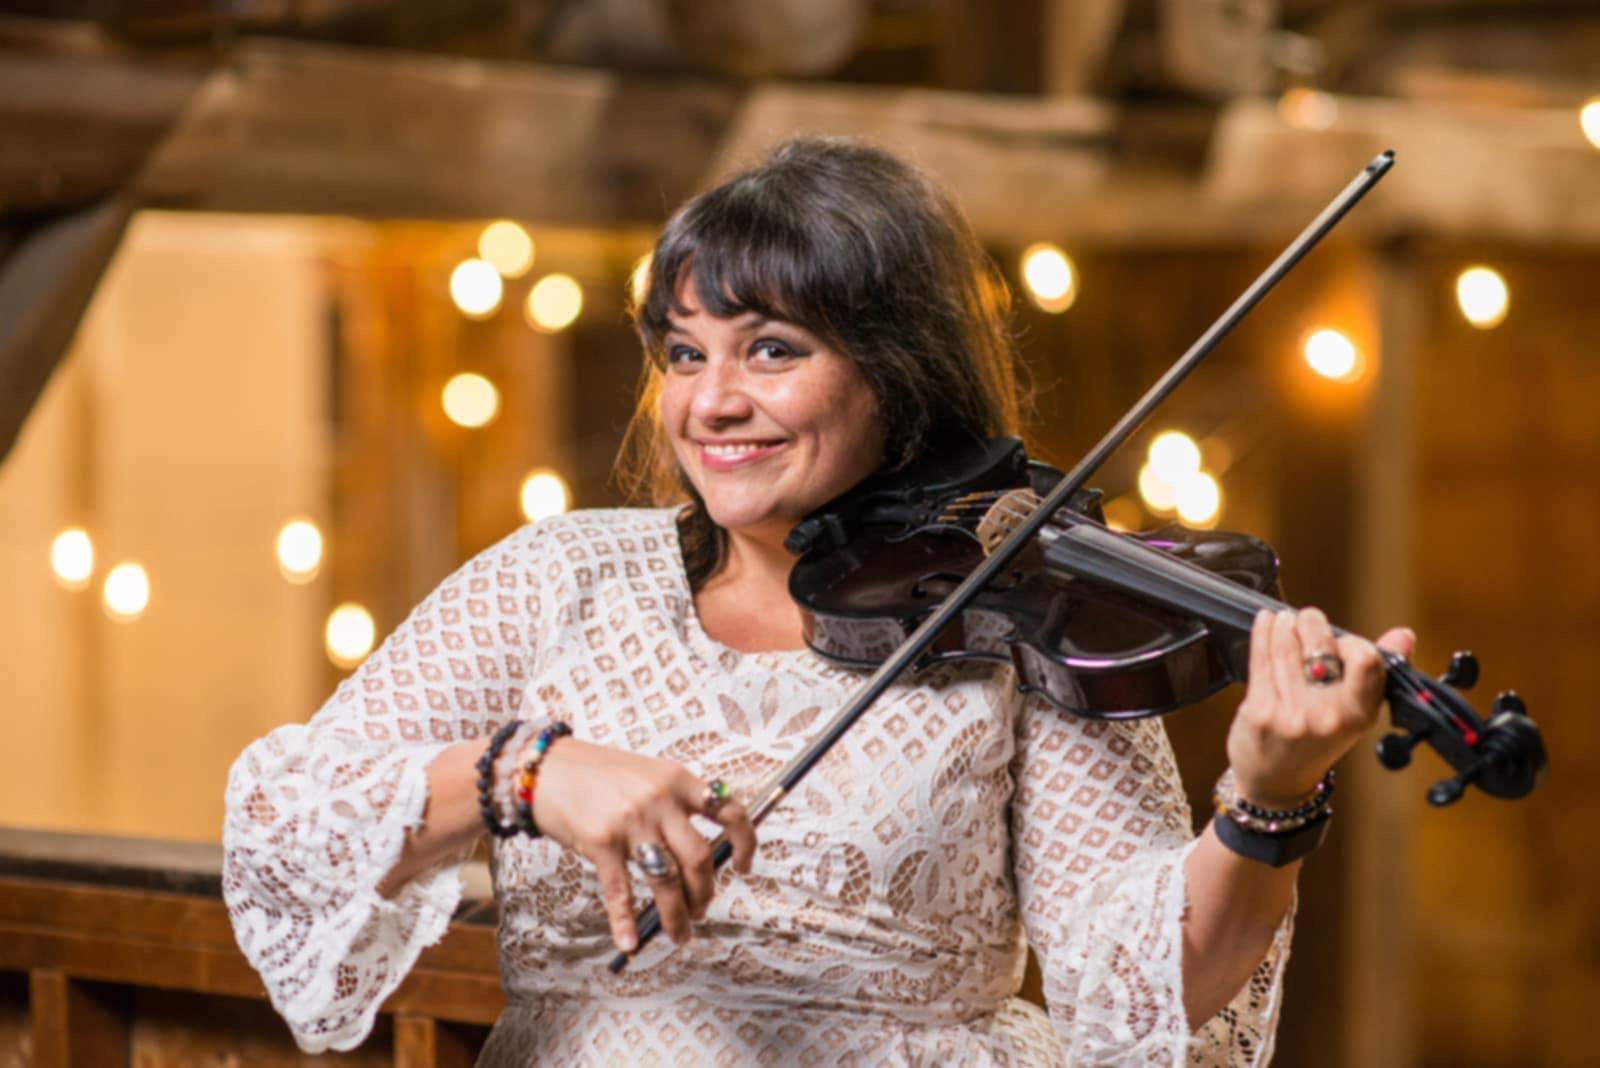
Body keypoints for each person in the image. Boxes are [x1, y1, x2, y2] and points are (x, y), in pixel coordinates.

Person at [223, 136, 1414, 1065]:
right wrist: (529, 774)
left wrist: (1267, 799)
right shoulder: (559, 578)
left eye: (772, 349)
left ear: (895, 373)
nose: (710, 402)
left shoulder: (1014, 610)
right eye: (685, 353)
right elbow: (281, 826)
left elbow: (1139, 991)